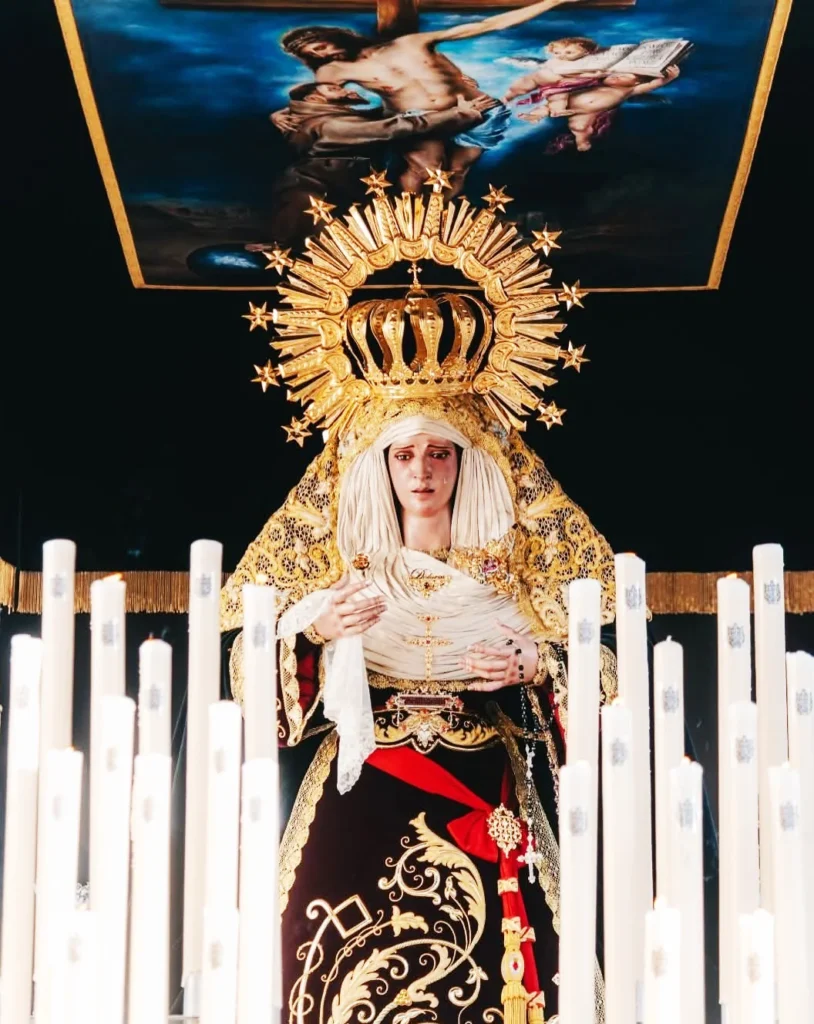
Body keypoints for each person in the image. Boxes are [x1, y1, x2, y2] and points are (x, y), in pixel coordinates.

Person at [220, 198, 619, 1021]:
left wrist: (539, 665)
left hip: (487, 777)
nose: (424, 470)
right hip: (363, 783)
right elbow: (256, 694)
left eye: (441, 452)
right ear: (382, 468)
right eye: (405, 454)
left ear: (466, 463)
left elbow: (601, 677)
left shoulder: (516, 568)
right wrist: (315, 631)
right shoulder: (336, 567)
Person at [279, 0, 580, 194]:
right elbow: (315, 102)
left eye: (320, 46)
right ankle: (406, 230)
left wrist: (556, 0)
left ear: (332, 36)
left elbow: (489, 24)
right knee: (424, 171)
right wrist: (281, 113)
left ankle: (438, 225)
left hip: (479, 109)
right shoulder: (332, 71)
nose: (323, 54)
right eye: (313, 55)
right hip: (422, 121)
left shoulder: (413, 42)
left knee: (457, 171)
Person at [267, 82, 494, 243]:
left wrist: (451, 92)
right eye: (334, 89)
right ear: (314, 99)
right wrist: (460, 114)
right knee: (322, 245)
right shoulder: (328, 124)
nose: (346, 90)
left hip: (346, 183)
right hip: (317, 188)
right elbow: (392, 127)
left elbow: (390, 114)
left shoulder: (326, 116)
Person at [519, 65, 681, 151]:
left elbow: (652, 85)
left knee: (580, 126)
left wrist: (669, 78)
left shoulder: (629, 90)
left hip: (590, 111)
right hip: (569, 101)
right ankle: (535, 115)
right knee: (552, 102)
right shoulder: (596, 83)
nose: (616, 76)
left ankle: (582, 141)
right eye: (614, 75)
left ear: (637, 82)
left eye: (624, 76)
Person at [501, 36, 606, 109]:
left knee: (558, 99)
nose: (562, 55)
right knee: (519, 87)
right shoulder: (556, 61)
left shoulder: (586, 62)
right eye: (557, 53)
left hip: (561, 85)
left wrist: (596, 75)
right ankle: (505, 99)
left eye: (569, 52)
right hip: (537, 80)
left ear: (586, 52)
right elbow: (557, 69)